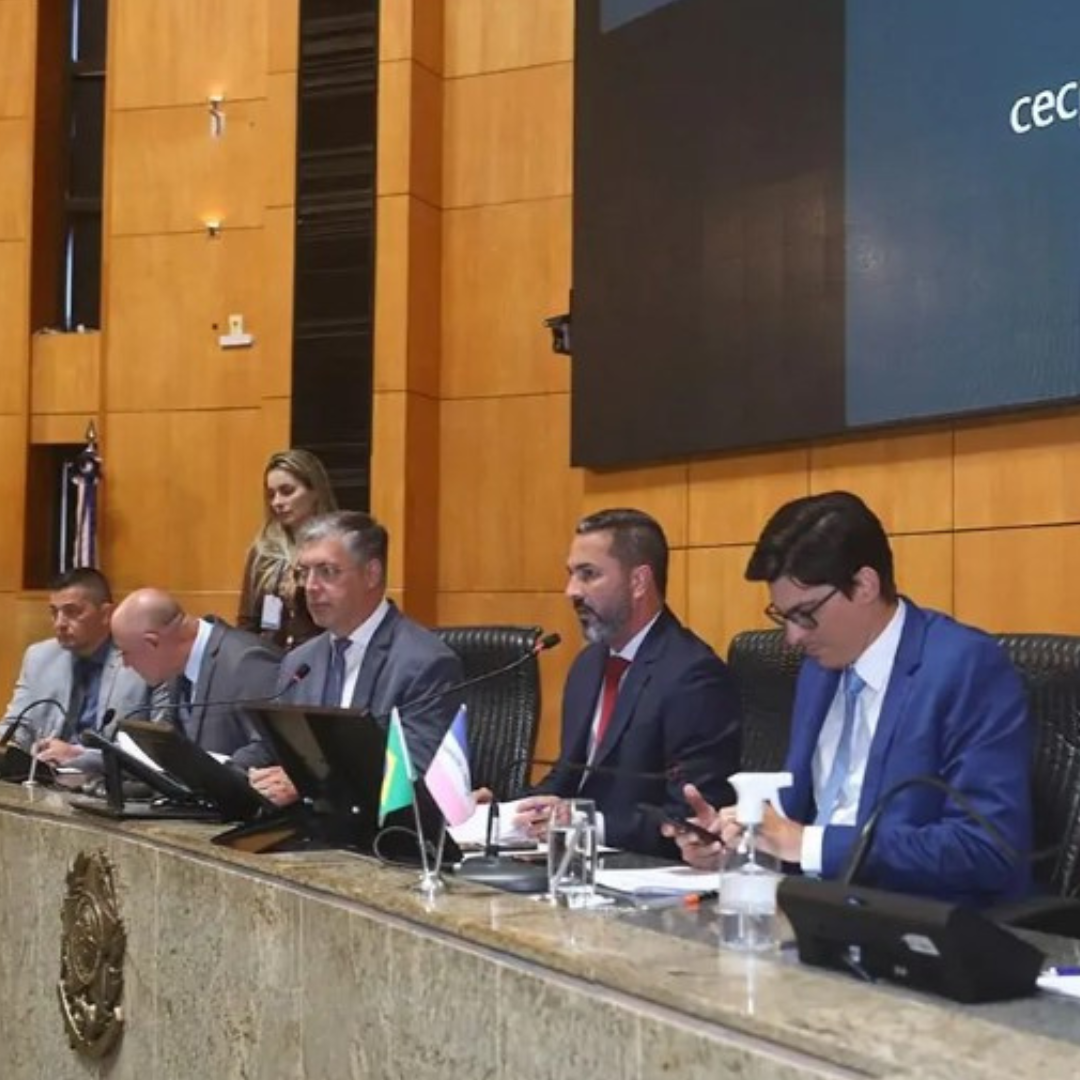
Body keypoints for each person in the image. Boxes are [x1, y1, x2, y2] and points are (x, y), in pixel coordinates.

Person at [670, 490, 1032, 907]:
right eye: (783, 616)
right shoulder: (819, 668)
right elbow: (800, 816)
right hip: (811, 910)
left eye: (806, 614)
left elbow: (985, 848)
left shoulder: (965, 667)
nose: (793, 637)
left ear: (864, 585)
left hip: (913, 921)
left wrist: (808, 844)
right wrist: (740, 841)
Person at [514, 508, 741, 857]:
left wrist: (587, 824)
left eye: (588, 575)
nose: (571, 591)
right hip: (576, 864)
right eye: (571, 575)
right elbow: (568, 776)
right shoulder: (588, 665)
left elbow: (692, 817)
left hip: (644, 873)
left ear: (638, 582)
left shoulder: (693, 676)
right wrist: (505, 810)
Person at [249, 510, 463, 806]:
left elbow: (414, 772)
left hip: (382, 830)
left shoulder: (424, 663)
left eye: (327, 571)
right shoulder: (299, 661)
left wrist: (308, 782)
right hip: (307, 825)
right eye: (303, 572)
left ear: (371, 574)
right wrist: (224, 772)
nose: (310, 586)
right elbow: (272, 748)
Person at [3, 568, 166, 772]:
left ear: (106, 614)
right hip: (45, 780)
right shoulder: (39, 657)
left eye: (72, 612)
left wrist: (79, 755)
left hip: (114, 783)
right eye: (54, 612)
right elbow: (16, 726)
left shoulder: (143, 659)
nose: (60, 623)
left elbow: (157, 753)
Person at [110, 589, 282, 770]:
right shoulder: (176, 664)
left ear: (152, 642)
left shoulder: (246, 661)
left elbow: (271, 746)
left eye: (126, 652)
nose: (126, 664)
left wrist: (213, 772)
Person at [237, 448, 337, 649]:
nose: (277, 502)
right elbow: (248, 622)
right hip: (270, 658)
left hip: (319, 657)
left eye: (287, 491)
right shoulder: (263, 550)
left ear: (315, 491)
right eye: (271, 495)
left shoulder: (337, 545)